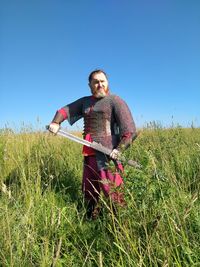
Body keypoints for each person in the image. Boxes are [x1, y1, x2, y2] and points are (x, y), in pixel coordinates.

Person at [48, 69, 136, 219]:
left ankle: (120, 223)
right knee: (89, 188)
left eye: (103, 81)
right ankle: (91, 218)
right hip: (89, 153)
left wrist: (119, 149)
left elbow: (130, 131)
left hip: (108, 154)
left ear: (107, 83)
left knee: (112, 190)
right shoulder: (84, 102)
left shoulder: (115, 100)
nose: (100, 84)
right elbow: (65, 110)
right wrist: (55, 122)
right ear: (90, 85)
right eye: (96, 82)